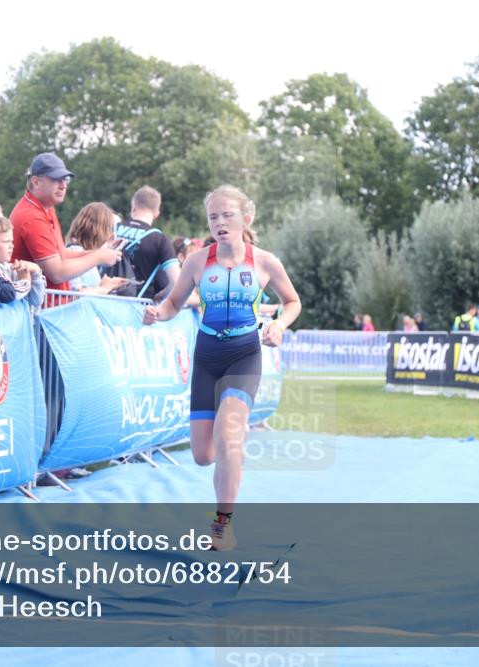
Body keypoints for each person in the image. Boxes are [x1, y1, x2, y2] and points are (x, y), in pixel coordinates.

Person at [143, 185, 301, 551]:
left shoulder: (265, 262)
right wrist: (157, 313)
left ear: (246, 218)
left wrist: (279, 325)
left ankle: (222, 524)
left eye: (227, 215)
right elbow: (173, 304)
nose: (219, 223)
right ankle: (230, 452)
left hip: (244, 356)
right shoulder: (198, 262)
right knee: (204, 455)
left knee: (228, 438)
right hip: (207, 357)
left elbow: (292, 301)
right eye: (213, 217)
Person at [9, 153, 121, 293]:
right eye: (56, 179)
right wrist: (98, 257)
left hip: (49, 303)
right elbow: (57, 273)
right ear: (36, 182)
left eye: (65, 179)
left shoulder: (45, 208)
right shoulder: (33, 218)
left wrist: (99, 252)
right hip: (39, 305)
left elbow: (61, 254)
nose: (63, 185)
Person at [107, 185, 179, 300]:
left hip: (104, 300)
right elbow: (176, 281)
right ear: (157, 213)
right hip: (138, 304)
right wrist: (161, 296)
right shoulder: (160, 239)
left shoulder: (112, 229)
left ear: (133, 207)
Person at [0, 215, 46, 310]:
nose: (11, 246)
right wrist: (25, 281)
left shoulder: (12, 268)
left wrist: (36, 272)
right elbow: (6, 291)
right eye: (6, 242)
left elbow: (36, 301)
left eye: (11, 241)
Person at [64, 202, 130, 294]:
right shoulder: (76, 252)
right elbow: (76, 293)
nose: (111, 235)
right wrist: (105, 288)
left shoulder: (82, 253)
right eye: (109, 229)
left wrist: (110, 285)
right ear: (100, 231)